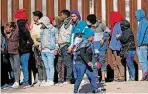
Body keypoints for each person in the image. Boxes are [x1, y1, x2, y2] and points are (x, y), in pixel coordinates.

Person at [73, 27, 105, 93]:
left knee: (92, 76)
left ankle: (95, 89)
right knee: (80, 77)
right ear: (89, 36)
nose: (94, 37)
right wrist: (88, 62)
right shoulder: (84, 42)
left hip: (87, 64)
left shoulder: (90, 43)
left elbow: (92, 54)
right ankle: (75, 91)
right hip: (80, 63)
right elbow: (82, 53)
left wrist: (96, 62)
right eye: (93, 36)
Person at [86, 14, 110, 83]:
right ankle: (95, 78)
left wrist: (103, 39)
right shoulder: (89, 27)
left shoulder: (101, 25)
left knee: (102, 62)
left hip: (102, 47)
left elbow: (108, 31)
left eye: (88, 20)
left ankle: (103, 78)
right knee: (94, 63)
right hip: (93, 47)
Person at [15, 9, 34, 88]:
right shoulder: (22, 27)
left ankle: (26, 82)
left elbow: (30, 40)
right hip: (23, 50)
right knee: (24, 66)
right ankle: (26, 81)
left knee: (25, 66)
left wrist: (25, 47)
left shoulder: (23, 28)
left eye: (17, 19)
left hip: (25, 50)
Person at [30, 11, 47, 87]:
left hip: (41, 45)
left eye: (34, 16)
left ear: (38, 17)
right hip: (35, 46)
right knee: (38, 63)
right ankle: (40, 79)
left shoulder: (42, 25)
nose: (33, 18)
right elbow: (31, 34)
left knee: (43, 62)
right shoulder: (33, 25)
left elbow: (44, 34)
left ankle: (44, 79)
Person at [39, 16, 56, 86]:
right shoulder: (41, 29)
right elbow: (41, 39)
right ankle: (48, 79)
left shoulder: (53, 29)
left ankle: (51, 80)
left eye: (42, 23)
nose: (41, 24)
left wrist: (56, 48)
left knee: (51, 65)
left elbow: (56, 39)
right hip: (43, 50)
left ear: (45, 22)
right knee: (46, 66)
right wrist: (40, 47)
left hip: (50, 50)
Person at [58, 9, 73, 85]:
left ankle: (68, 79)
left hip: (66, 44)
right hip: (61, 45)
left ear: (65, 15)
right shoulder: (62, 24)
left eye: (61, 15)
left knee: (68, 63)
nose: (60, 16)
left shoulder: (70, 24)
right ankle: (64, 79)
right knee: (64, 63)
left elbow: (71, 35)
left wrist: (70, 46)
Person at [109, 11, 125, 82]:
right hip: (113, 47)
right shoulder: (114, 25)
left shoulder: (119, 25)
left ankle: (121, 77)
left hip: (117, 47)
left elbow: (120, 35)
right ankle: (116, 77)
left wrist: (119, 46)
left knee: (119, 62)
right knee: (115, 63)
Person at [4, 22, 21, 88]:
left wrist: (16, 22)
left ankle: (17, 81)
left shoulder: (15, 33)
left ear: (11, 28)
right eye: (6, 27)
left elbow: (17, 28)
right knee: (13, 68)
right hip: (10, 53)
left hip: (16, 52)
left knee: (17, 67)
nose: (6, 29)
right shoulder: (6, 34)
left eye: (8, 27)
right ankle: (15, 81)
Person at [136, 9, 148, 81]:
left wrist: (139, 44)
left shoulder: (143, 22)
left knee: (143, 60)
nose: (135, 16)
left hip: (143, 44)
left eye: (136, 15)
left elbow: (142, 34)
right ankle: (145, 75)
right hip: (143, 44)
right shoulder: (143, 22)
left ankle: (145, 75)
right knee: (144, 60)